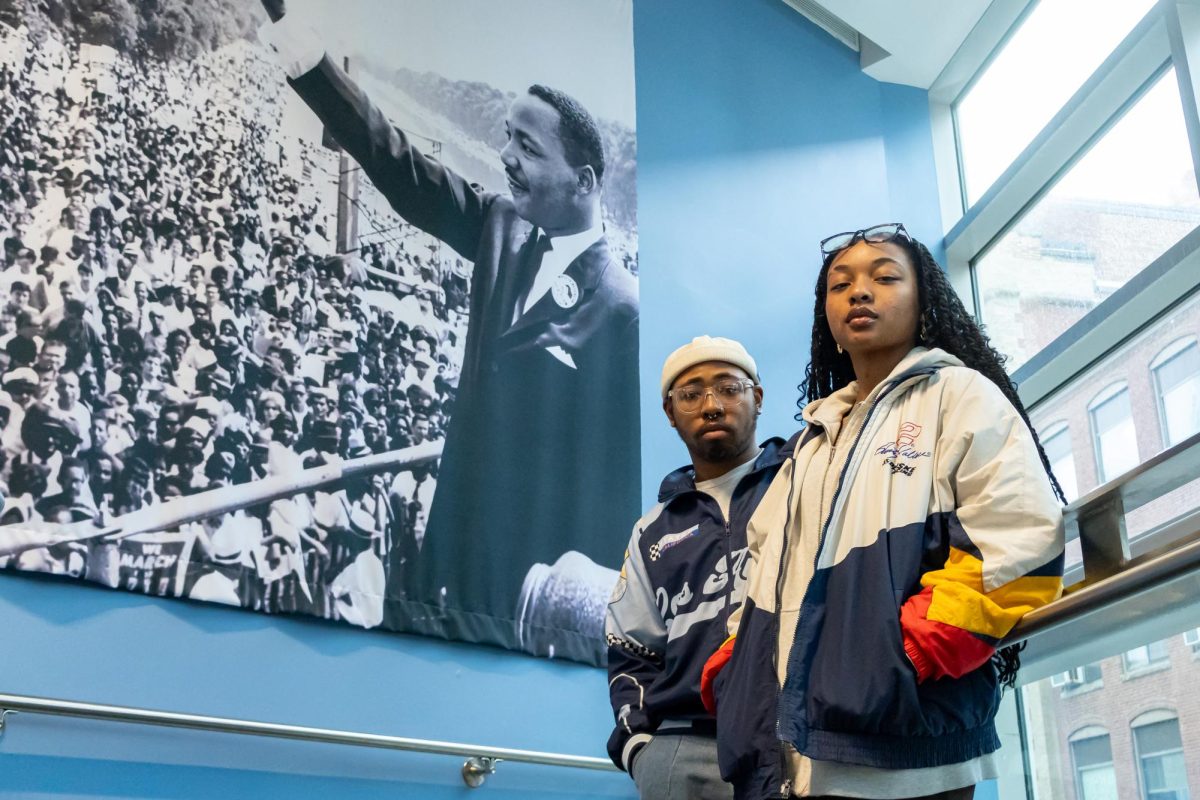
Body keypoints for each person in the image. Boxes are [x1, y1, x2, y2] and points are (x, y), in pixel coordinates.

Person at [260, 0, 639, 659]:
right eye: (507, 140)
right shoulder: (500, 227)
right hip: (447, 562)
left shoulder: (624, 308)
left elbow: (614, 483)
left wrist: (574, 616)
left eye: (527, 147)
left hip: (533, 595)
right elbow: (395, 162)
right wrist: (298, 40)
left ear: (583, 182)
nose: (507, 158)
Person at [703, 225, 1066, 799]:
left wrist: (908, 653)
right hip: (792, 761)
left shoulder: (959, 395)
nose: (859, 292)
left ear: (924, 303)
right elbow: (762, 577)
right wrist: (734, 666)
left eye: (885, 277)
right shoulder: (811, 443)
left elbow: (1019, 540)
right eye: (840, 284)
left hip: (905, 754)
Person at [606, 337, 787, 799]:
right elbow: (630, 649)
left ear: (757, 398)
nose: (712, 406)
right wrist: (640, 748)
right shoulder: (652, 531)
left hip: (793, 732)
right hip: (685, 749)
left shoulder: (802, 481)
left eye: (729, 388)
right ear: (670, 412)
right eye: (691, 394)